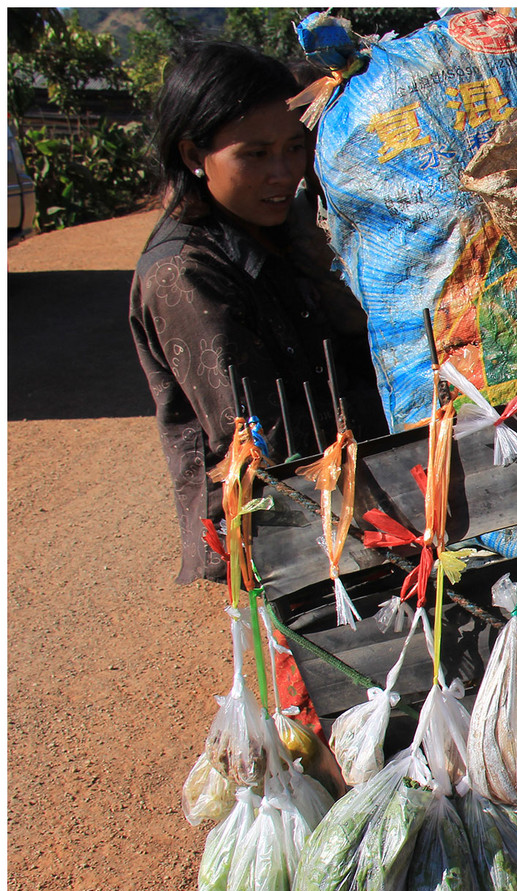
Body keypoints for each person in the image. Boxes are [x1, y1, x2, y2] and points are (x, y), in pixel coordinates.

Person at [130, 40, 385, 585]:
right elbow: (255, 436)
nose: (283, 172)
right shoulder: (184, 272)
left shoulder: (276, 231)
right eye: (255, 154)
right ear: (194, 156)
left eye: (295, 147)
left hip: (338, 492)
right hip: (278, 533)